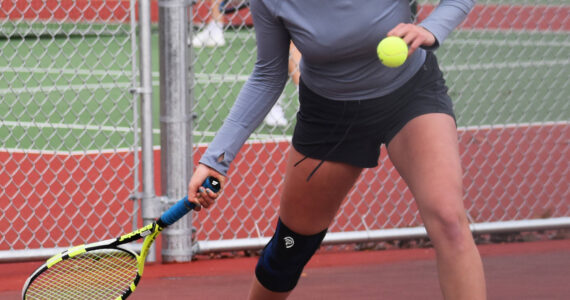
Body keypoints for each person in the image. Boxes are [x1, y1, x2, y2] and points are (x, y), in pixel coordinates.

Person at [188, 0, 486, 299]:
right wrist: (217, 159)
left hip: (409, 95)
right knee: (290, 248)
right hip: (329, 115)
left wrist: (431, 29)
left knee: (449, 220)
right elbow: (268, 73)